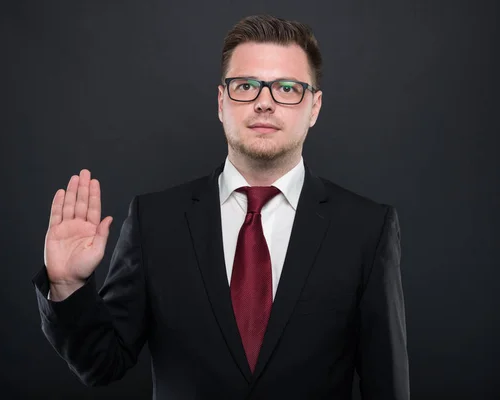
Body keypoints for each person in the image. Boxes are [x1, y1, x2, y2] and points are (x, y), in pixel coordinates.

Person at [32, 14, 409, 399]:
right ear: (221, 101)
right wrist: (67, 286)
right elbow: (100, 364)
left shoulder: (367, 228)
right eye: (246, 85)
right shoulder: (156, 221)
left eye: (287, 88)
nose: (264, 102)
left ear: (314, 107)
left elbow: (387, 386)